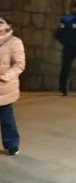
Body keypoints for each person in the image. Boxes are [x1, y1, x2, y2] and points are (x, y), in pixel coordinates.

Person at [0, 14, 25, 156]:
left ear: (9, 25)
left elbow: (19, 65)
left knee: (6, 118)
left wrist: (5, 78)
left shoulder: (15, 42)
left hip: (4, 87)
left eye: (0, 22)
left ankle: (12, 144)